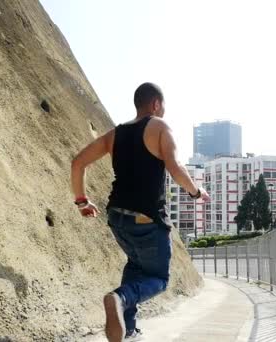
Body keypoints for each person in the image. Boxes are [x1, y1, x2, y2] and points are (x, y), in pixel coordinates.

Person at [70, 82, 210, 341]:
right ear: (156, 104)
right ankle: (118, 298)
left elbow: (78, 163)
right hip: (146, 218)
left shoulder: (114, 134)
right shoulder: (159, 126)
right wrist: (196, 192)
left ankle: (129, 328)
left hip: (117, 217)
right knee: (158, 278)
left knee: (135, 265)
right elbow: (175, 166)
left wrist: (82, 201)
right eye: (163, 106)